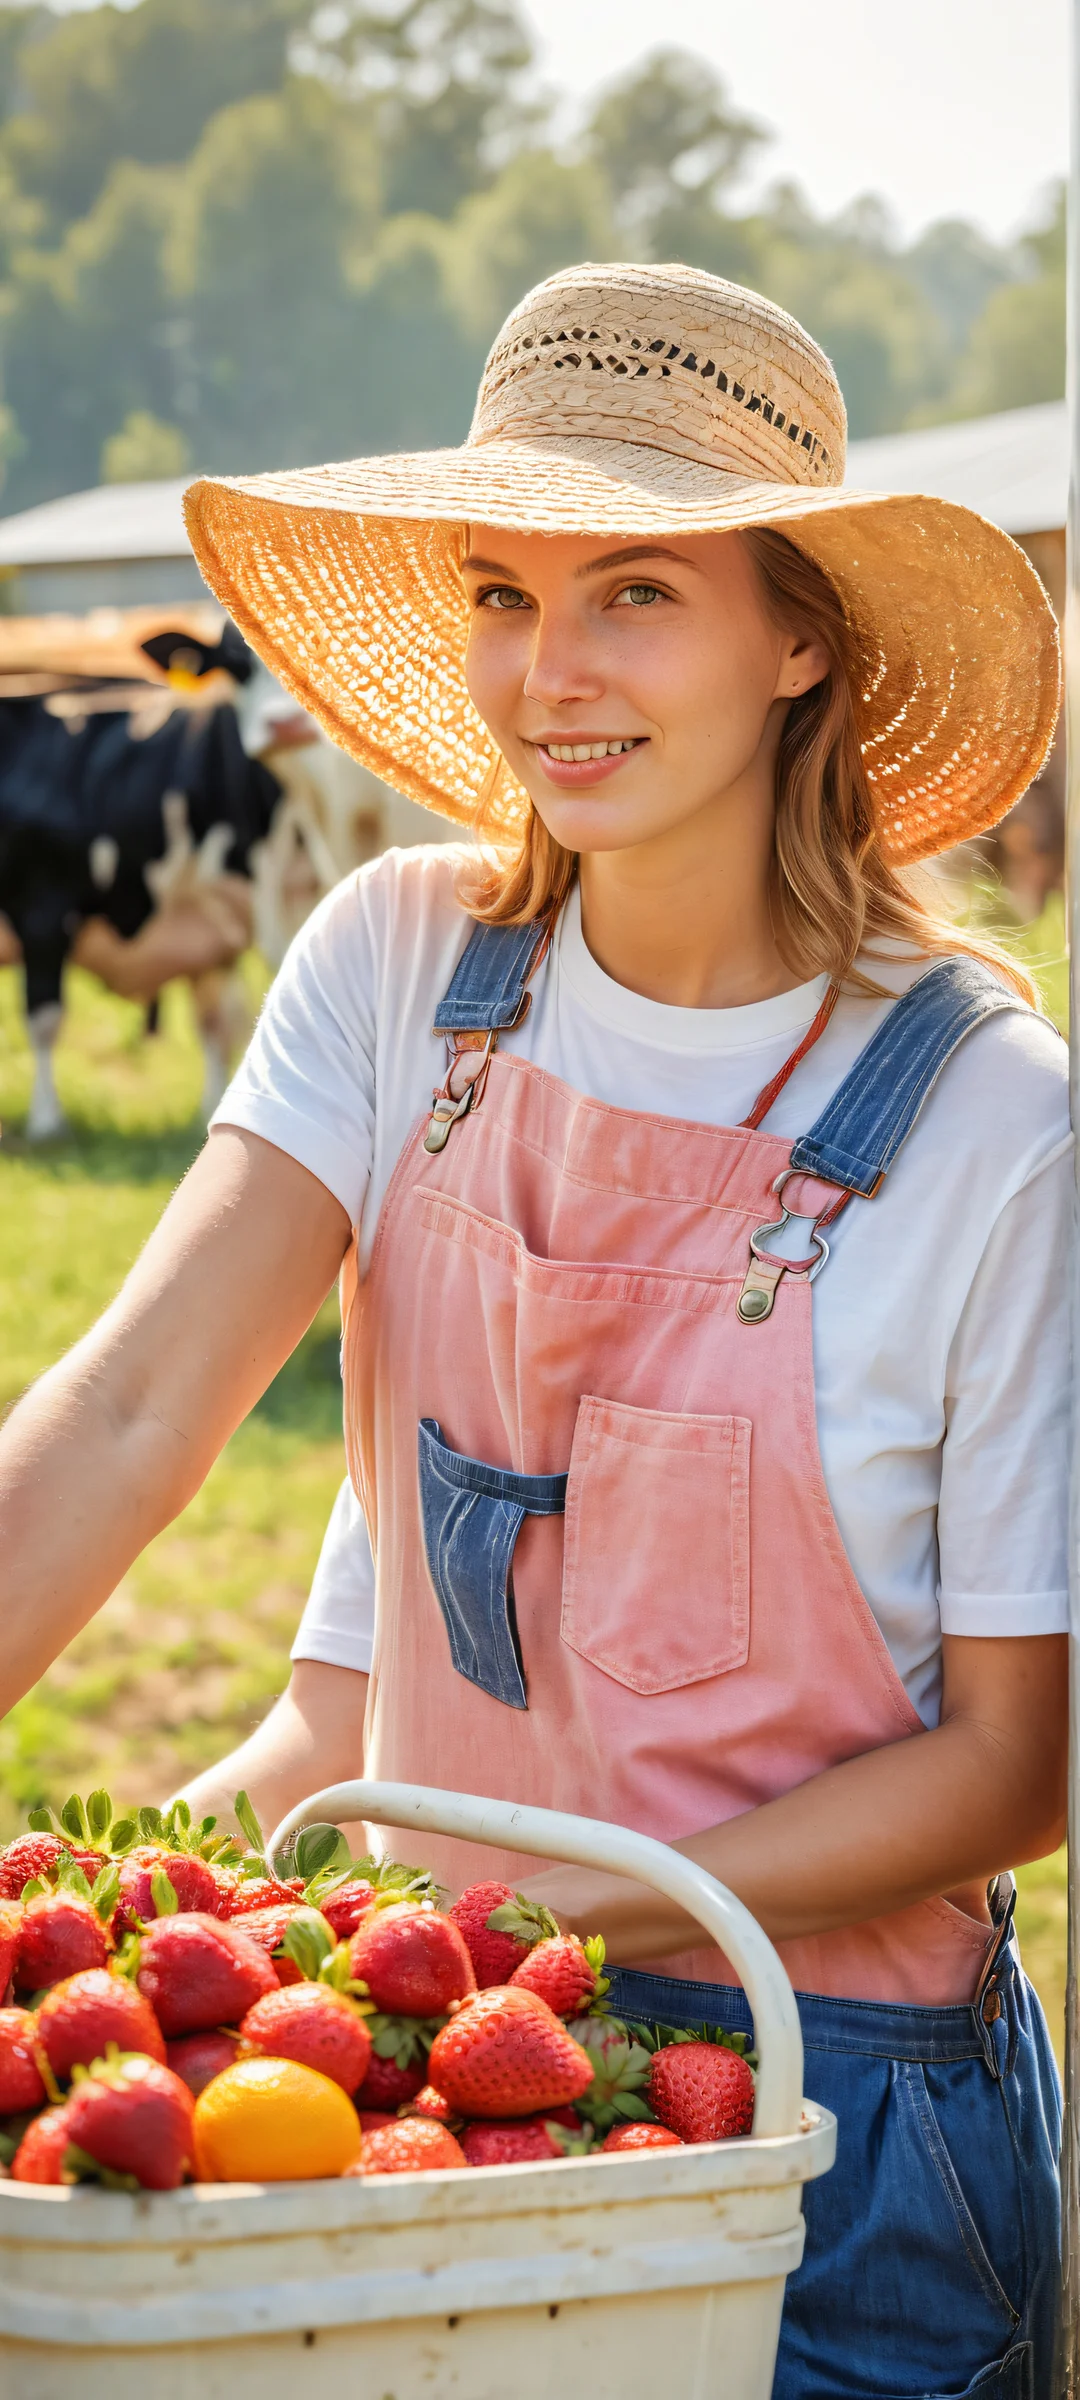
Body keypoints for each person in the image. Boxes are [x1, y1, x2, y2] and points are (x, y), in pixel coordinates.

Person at [0, 262, 1068, 2392]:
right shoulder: (397, 971)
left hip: (832, 2121)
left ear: (802, 641)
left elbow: (1017, 1763)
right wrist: (182, 1930)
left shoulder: (990, 1120)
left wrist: (531, 1934)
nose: (545, 674)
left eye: (637, 593)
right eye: (503, 587)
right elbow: (139, 1423)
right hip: (430, 2102)